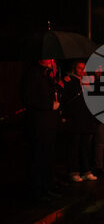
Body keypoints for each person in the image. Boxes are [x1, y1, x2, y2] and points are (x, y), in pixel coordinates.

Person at [21, 59, 62, 203]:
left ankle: (46, 187)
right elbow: (30, 98)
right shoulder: (32, 74)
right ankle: (37, 191)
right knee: (38, 157)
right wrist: (49, 104)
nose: (52, 61)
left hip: (48, 124)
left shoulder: (47, 74)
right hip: (39, 124)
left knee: (47, 157)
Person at [62, 61, 98, 182]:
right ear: (74, 68)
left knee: (85, 146)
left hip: (85, 118)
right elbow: (67, 98)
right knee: (74, 146)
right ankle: (74, 171)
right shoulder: (70, 81)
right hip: (75, 118)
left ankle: (86, 170)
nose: (82, 70)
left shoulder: (87, 81)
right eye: (79, 68)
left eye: (84, 68)